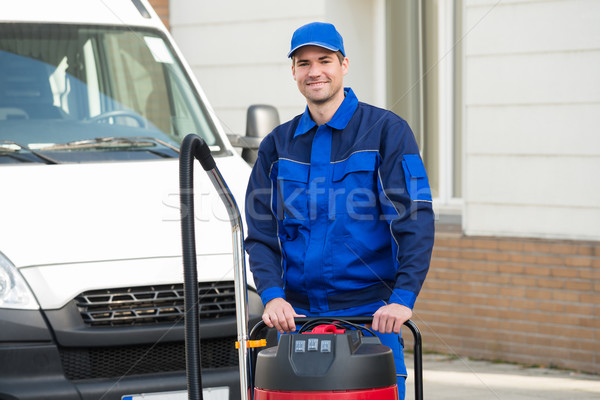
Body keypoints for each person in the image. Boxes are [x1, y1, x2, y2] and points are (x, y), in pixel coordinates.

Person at [244, 21, 434, 399]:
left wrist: (402, 299)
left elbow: (416, 219)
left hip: (370, 321)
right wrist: (271, 294)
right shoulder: (276, 145)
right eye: (303, 63)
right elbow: (261, 233)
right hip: (294, 324)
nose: (314, 71)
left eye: (324, 60)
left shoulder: (387, 131)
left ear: (344, 64)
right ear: (294, 72)